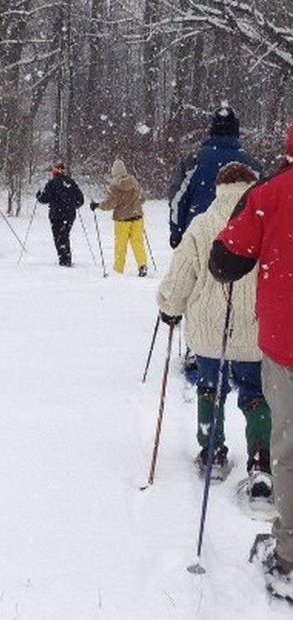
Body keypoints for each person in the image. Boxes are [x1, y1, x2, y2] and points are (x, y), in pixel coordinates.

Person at [209, 123, 293, 602]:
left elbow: (226, 260)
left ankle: (289, 554)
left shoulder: (271, 194)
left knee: (289, 449)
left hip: (287, 345)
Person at [158, 162, 272, 494]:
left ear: (219, 188)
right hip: (254, 331)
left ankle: (212, 453)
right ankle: (261, 462)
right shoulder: (264, 223)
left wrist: (170, 307)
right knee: (256, 396)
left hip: (209, 333)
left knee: (210, 390)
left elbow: (182, 275)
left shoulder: (202, 224)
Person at [168, 103, 262, 249]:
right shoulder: (253, 166)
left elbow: (178, 200)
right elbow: (262, 207)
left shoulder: (194, 160)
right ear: (236, 131)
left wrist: (176, 233)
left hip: (197, 237)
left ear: (212, 130)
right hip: (238, 243)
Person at [90, 159, 147, 277]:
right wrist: (134, 204)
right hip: (137, 217)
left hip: (122, 220)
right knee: (138, 243)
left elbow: (110, 204)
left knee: (121, 245)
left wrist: (97, 205)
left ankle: (118, 269)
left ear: (114, 172)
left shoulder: (115, 186)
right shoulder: (134, 182)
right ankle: (142, 265)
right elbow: (142, 198)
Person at [36, 162, 84, 267]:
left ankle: (64, 258)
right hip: (69, 215)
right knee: (64, 235)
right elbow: (80, 200)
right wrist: (73, 205)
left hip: (56, 215)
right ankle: (66, 257)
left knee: (58, 236)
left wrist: (38, 195)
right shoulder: (71, 183)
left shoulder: (52, 184)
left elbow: (44, 199)